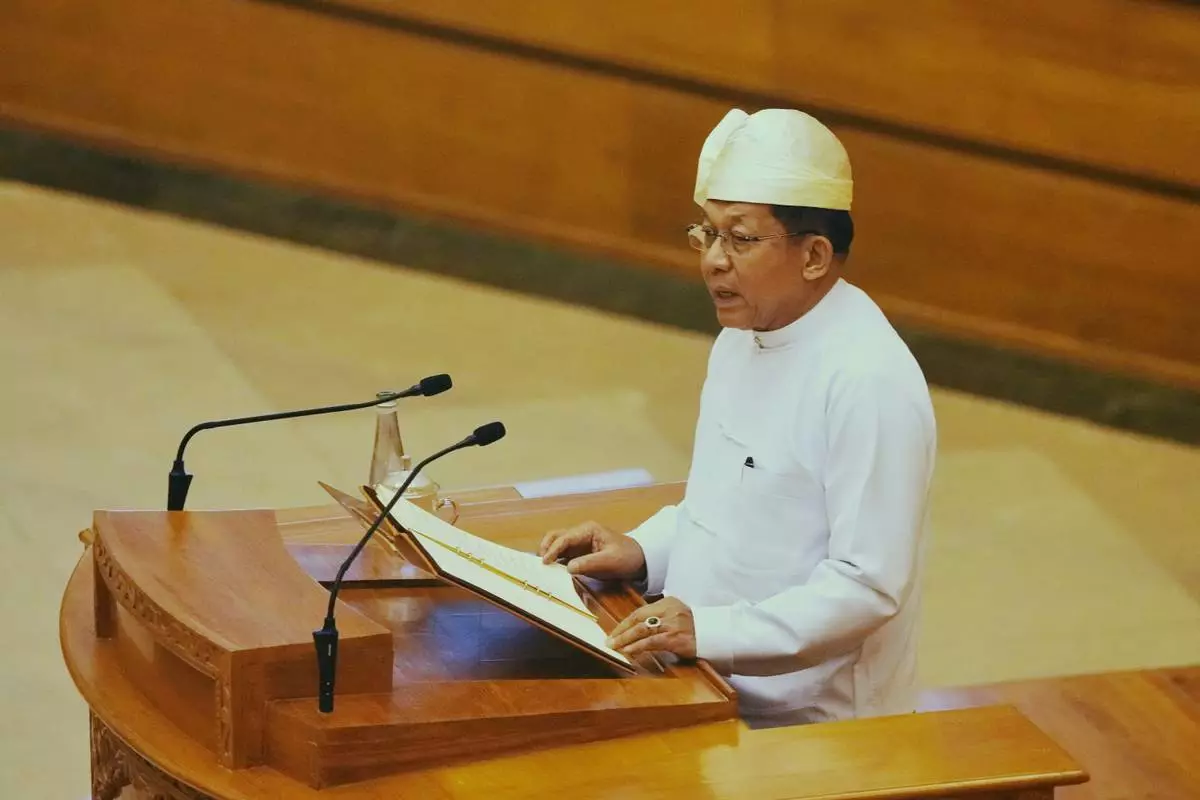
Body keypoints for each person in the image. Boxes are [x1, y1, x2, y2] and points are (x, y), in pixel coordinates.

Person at [540, 108, 937, 726]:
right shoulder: (741, 338)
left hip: (811, 726)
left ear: (814, 255)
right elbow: (728, 504)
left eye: (741, 239)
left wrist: (709, 631)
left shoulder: (867, 380)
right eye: (707, 234)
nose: (713, 261)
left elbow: (867, 587)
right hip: (702, 679)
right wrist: (643, 552)